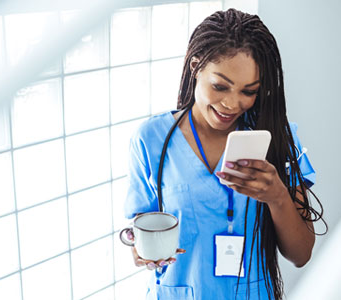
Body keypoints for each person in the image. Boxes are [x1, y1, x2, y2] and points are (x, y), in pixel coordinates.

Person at [124, 8, 326, 300]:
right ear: (196, 67)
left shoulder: (278, 138)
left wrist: (277, 196)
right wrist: (138, 247)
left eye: (249, 91)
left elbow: (301, 253)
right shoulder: (151, 140)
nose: (232, 104)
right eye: (220, 86)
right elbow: (141, 227)